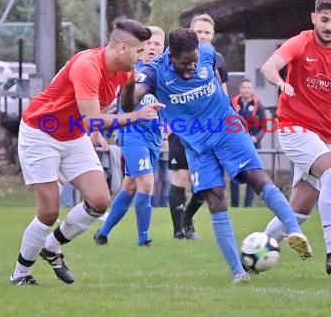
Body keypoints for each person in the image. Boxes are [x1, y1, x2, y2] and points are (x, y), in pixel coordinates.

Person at [122, 27, 313, 284]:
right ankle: (238, 272)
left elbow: (216, 75)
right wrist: (129, 80)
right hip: (197, 146)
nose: (191, 67)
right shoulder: (155, 72)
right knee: (216, 200)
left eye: (195, 61)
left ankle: (295, 233)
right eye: (184, 63)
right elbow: (128, 103)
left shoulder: (209, 54)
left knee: (257, 178)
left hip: (227, 130)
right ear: (171, 55)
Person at [9, 18, 163, 286]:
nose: (142, 57)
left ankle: (52, 248)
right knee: (48, 212)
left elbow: (123, 98)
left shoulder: (125, 71)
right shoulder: (87, 66)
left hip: (74, 134)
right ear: (123, 47)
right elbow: (93, 118)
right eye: (139, 51)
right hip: (41, 132)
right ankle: (20, 274)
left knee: (100, 200)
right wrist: (136, 116)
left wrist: (136, 97)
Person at [260, 0, 331, 275]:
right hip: (294, 128)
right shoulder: (301, 41)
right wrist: (281, 83)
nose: (329, 26)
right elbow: (268, 67)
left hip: (324, 137)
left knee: (299, 211)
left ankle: (256, 252)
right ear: (314, 18)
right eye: (324, 20)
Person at [94, 26, 166, 247]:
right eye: (149, 44)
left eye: (157, 44)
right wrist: (97, 129)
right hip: (133, 135)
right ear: (140, 47)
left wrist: (167, 124)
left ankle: (102, 233)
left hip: (153, 137)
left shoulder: (163, 73)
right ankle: (144, 239)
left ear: (163, 48)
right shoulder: (132, 72)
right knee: (146, 183)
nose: (152, 48)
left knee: (130, 186)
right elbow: (106, 100)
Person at [169, 13, 229, 240]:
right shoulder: (175, 58)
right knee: (180, 176)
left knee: (208, 180)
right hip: (183, 127)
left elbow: (223, 91)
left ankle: (188, 218)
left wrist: (228, 119)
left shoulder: (218, 59)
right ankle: (178, 232)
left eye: (207, 32)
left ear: (213, 36)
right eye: (199, 32)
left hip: (210, 128)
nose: (203, 36)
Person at [229, 79, 267, 207]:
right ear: (240, 89)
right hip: (235, 145)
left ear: (252, 90)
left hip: (252, 146)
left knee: (252, 174)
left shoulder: (258, 105)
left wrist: (256, 138)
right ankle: (234, 205)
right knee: (235, 172)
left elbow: (264, 126)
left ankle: (248, 205)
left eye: (249, 87)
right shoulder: (233, 103)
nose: (247, 90)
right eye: (244, 87)